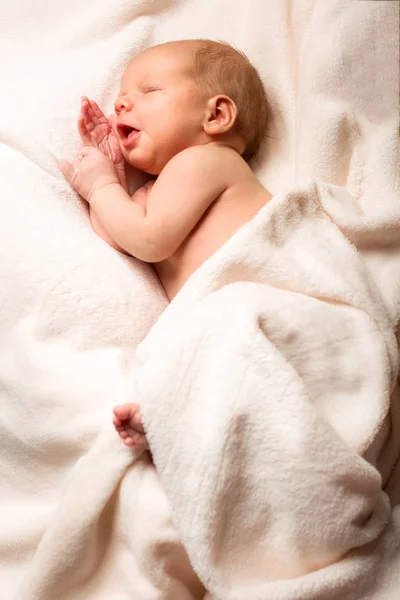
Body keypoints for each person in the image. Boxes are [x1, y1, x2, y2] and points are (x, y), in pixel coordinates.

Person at [58, 39, 271, 450]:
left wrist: (101, 187)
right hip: (211, 321)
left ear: (216, 115)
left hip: (253, 301)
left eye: (149, 91)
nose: (121, 103)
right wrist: (117, 180)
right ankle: (180, 420)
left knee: (232, 364)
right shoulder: (155, 193)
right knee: (219, 375)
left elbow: (149, 240)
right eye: (121, 95)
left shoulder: (209, 160)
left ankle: (179, 416)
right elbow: (122, 239)